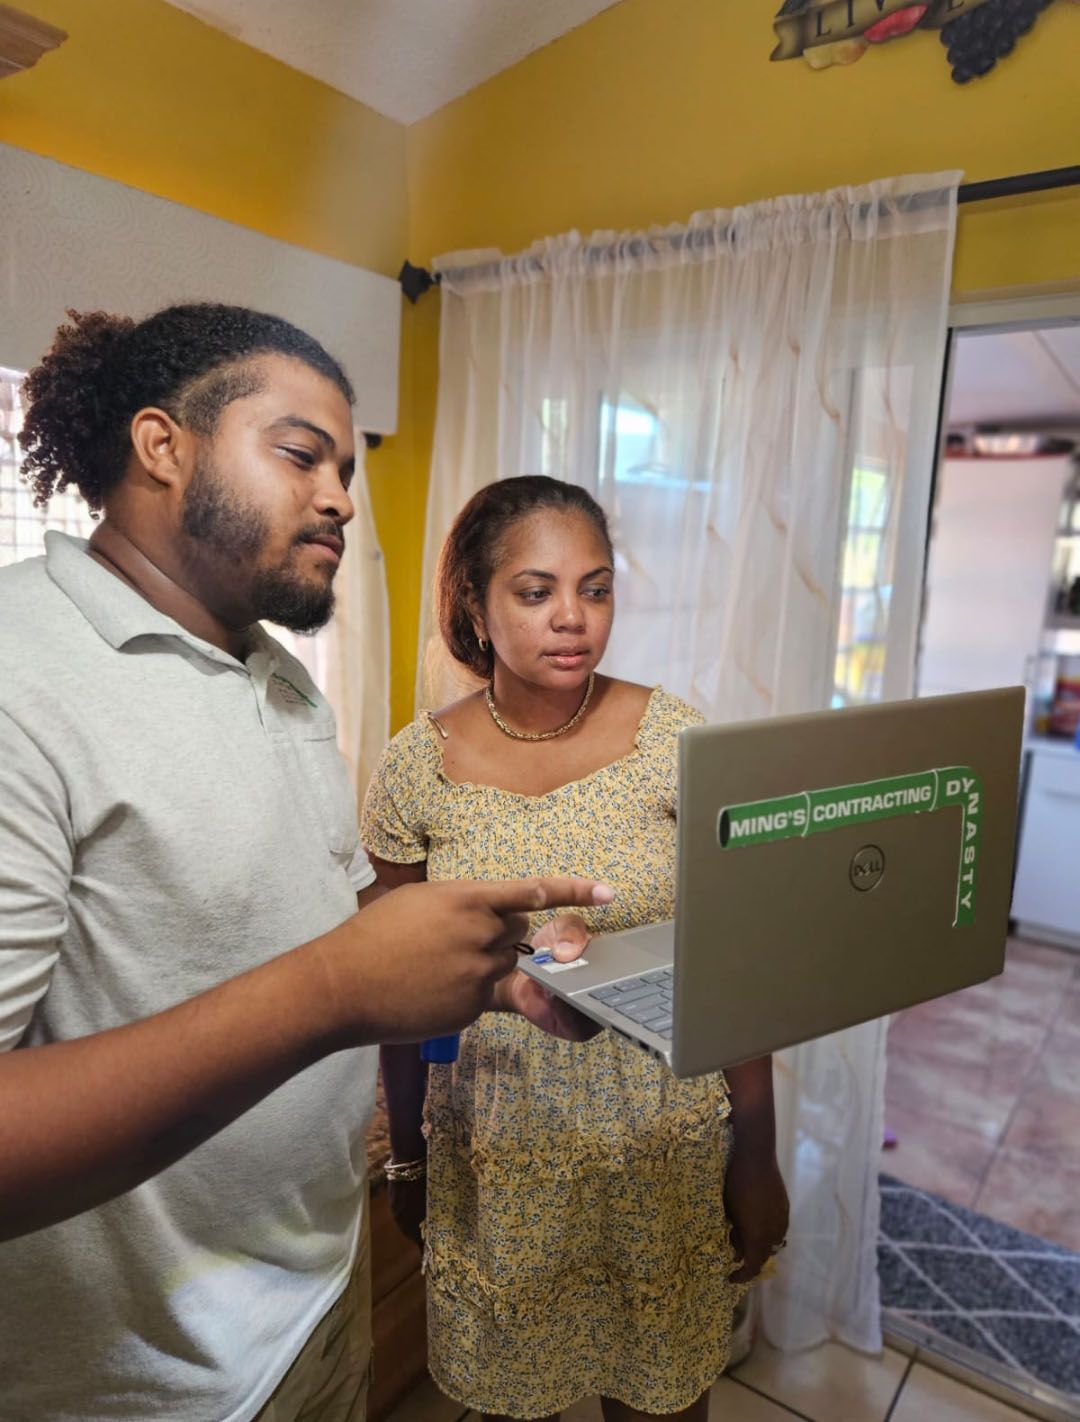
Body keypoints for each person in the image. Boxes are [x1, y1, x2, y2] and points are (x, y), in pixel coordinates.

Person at [0, 307, 611, 1422]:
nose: (339, 496)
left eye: (346, 467)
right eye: (300, 455)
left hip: (308, 1302)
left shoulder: (276, 677)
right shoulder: (20, 679)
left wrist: (479, 966)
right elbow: (319, 981)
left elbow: (302, 929)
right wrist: (336, 990)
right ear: (162, 445)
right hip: (136, 1384)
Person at [362, 475, 790, 1422]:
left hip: (660, 1147)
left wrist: (754, 1153)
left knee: (663, 1401)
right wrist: (408, 1155)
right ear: (474, 601)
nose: (574, 618)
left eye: (595, 589)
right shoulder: (414, 767)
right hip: (500, 1151)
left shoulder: (677, 739)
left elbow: (741, 960)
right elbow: (397, 989)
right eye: (536, 590)